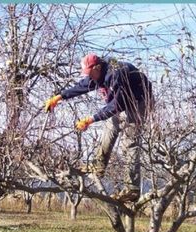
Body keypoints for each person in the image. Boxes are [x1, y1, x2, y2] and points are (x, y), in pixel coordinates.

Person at [44, 53, 154, 202]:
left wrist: (91, 119)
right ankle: (99, 166)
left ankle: (132, 189)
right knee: (110, 128)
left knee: (130, 141)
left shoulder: (117, 74)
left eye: (90, 73)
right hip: (123, 101)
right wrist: (59, 97)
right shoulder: (98, 74)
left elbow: (116, 105)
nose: (90, 77)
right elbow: (82, 86)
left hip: (140, 101)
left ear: (97, 67)